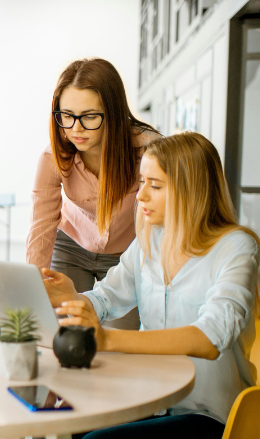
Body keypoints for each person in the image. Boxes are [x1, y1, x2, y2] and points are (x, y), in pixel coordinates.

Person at [34, 132, 260, 439]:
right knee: (49, 429)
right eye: (141, 182)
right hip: (151, 405)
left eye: (155, 185)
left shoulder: (237, 248)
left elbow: (211, 337)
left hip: (213, 419)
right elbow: (106, 298)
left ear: (192, 189)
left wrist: (109, 340)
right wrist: (73, 298)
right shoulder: (149, 243)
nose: (141, 195)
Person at [27, 58, 161, 329]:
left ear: (112, 111)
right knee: (65, 331)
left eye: (89, 116)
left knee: (122, 341)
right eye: (67, 115)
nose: (75, 128)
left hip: (128, 252)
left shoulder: (148, 151)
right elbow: (41, 228)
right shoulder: (52, 158)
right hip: (72, 245)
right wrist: (32, 285)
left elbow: (165, 223)